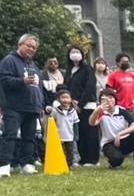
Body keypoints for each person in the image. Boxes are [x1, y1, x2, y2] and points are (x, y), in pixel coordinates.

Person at [0, 34, 44, 177]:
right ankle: (4, 165)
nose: (31, 49)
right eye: (29, 46)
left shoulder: (33, 65)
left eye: (34, 48)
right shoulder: (9, 60)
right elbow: (4, 80)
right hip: (14, 106)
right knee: (10, 135)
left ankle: (27, 164)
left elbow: (39, 87)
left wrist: (41, 104)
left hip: (32, 106)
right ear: (20, 45)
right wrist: (22, 81)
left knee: (29, 137)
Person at [90, 87, 134, 169]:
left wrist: (120, 134)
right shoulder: (101, 112)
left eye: (111, 98)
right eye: (105, 98)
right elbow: (92, 123)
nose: (109, 101)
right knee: (117, 159)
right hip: (109, 143)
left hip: (123, 140)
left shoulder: (122, 111)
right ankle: (114, 161)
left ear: (115, 99)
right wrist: (96, 111)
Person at [65, 46, 98, 166]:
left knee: (90, 132)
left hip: (87, 105)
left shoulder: (87, 69)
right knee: (80, 133)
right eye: (72, 52)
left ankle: (92, 159)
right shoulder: (69, 70)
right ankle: (83, 158)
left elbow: (89, 88)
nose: (75, 54)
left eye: (77, 52)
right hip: (72, 105)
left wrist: (81, 104)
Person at [48, 86, 79, 168]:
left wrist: (76, 135)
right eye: (63, 98)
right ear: (58, 100)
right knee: (60, 151)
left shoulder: (73, 111)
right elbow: (51, 122)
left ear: (70, 99)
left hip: (69, 136)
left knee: (70, 152)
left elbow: (76, 124)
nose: (65, 100)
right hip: (58, 136)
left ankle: (69, 165)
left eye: (67, 98)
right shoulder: (55, 111)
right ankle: (59, 164)